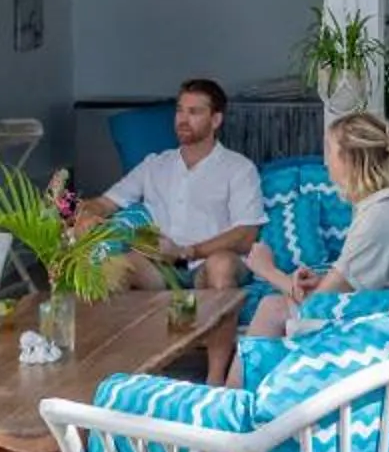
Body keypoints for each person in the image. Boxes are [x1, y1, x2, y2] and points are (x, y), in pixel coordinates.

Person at [241, 111, 389, 362]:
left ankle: (236, 396)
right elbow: (345, 288)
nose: (326, 163)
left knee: (272, 308)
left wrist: (267, 270)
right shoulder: (381, 209)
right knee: (276, 307)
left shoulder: (378, 219)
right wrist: (324, 281)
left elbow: (316, 307)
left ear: (350, 159)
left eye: (329, 151)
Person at [79, 78, 263, 302]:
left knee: (221, 265)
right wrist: (88, 213)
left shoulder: (239, 168)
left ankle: (216, 335)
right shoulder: (154, 165)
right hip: (163, 264)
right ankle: (126, 335)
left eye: (194, 112)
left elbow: (245, 235)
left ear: (215, 120)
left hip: (209, 259)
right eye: (179, 111)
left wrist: (190, 252)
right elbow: (106, 203)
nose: (183, 120)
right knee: (115, 266)